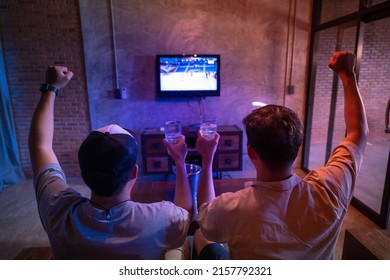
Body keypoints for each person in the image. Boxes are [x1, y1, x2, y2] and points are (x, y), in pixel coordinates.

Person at [193, 51, 368, 259]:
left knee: (200, 236)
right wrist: (348, 74)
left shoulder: (231, 208)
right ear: (298, 146)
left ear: (251, 152)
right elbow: (358, 133)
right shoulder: (331, 190)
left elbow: (203, 215)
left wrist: (207, 158)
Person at [28, 66, 193, 259]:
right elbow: (186, 214)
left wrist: (51, 88)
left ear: (82, 171)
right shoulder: (162, 218)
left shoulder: (56, 207)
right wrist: (180, 163)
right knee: (182, 247)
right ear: (134, 172)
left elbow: (40, 146)